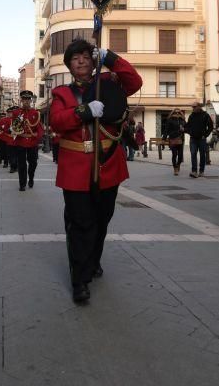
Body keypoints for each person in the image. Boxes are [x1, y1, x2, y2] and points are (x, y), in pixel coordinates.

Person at [50, 39, 142, 303]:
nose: (80, 61)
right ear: (69, 65)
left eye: (85, 57)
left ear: (92, 61)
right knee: (80, 223)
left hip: (108, 165)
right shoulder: (62, 94)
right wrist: (83, 111)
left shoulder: (107, 82)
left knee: (102, 220)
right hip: (76, 169)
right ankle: (80, 279)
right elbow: (57, 121)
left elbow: (134, 82)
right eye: (74, 58)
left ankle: (93, 258)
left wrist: (110, 57)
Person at [12, 91, 44, 191]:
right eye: (24, 99)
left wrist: (38, 135)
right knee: (21, 164)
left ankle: (31, 178)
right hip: (20, 141)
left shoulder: (35, 113)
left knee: (33, 163)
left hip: (32, 142)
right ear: (21, 100)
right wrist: (16, 130)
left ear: (30, 100)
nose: (26, 101)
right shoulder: (16, 113)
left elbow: (39, 128)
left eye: (28, 99)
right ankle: (22, 184)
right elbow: (13, 126)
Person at [185, 101, 213, 178]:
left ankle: (201, 171)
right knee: (193, 154)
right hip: (193, 139)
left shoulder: (205, 115)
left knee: (202, 155)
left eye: (194, 107)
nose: (193, 108)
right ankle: (194, 171)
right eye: (192, 107)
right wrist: (188, 131)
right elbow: (187, 126)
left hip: (202, 139)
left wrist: (205, 135)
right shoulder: (191, 116)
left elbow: (210, 127)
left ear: (199, 107)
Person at [163, 109, 185, 175]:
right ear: (173, 113)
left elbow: (187, 128)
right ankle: (175, 168)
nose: (177, 114)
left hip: (181, 139)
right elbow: (166, 129)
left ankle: (178, 164)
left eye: (179, 112)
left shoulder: (182, 120)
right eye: (176, 112)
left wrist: (184, 129)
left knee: (180, 156)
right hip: (172, 138)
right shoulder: (170, 120)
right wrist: (164, 138)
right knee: (174, 154)